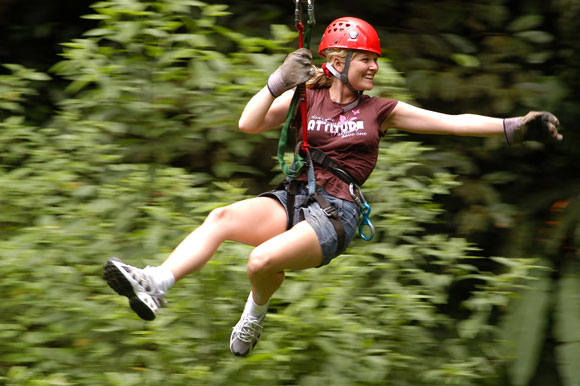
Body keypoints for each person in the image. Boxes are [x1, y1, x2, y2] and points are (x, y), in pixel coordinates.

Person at [103, 16, 562, 357]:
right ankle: (156, 283)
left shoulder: (381, 109)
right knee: (221, 218)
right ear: (337, 61)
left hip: (336, 213)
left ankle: (253, 316)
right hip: (294, 197)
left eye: (374, 60)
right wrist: (279, 80)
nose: (374, 68)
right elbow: (248, 124)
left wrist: (516, 125)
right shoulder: (306, 94)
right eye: (365, 59)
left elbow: (453, 123)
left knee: (260, 260)